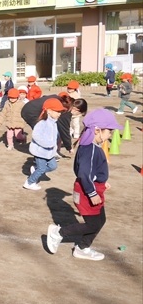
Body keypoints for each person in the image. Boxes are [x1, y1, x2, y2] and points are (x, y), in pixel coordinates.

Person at [46, 109, 123, 261]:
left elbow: (88, 170)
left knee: (100, 220)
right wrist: (92, 192)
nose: (111, 135)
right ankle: (58, 233)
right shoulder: (89, 149)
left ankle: (82, 248)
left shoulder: (91, 146)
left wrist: (101, 181)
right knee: (93, 224)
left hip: (92, 187)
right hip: (87, 191)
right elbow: (83, 172)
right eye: (109, 131)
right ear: (97, 130)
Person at [23, 98, 66, 190]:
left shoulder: (54, 123)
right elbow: (36, 135)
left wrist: (54, 147)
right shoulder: (42, 123)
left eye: (60, 112)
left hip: (50, 152)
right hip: (40, 152)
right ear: (49, 111)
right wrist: (48, 144)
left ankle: (35, 170)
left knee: (53, 166)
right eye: (57, 111)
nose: (59, 114)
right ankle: (29, 182)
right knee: (41, 169)